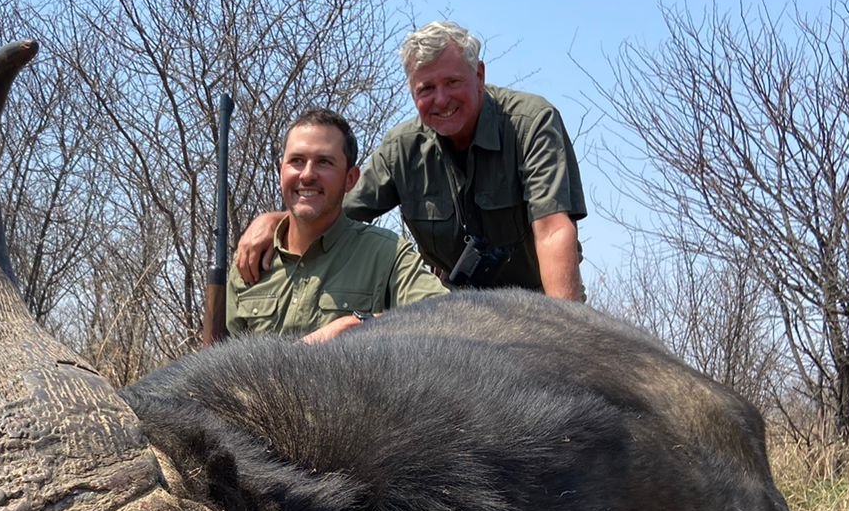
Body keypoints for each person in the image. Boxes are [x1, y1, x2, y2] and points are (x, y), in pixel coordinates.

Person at [236, 21, 587, 301]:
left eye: (452, 82)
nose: (441, 99)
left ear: (479, 76)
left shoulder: (531, 122)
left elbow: (553, 230)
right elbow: (338, 213)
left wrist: (562, 338)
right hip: (453, 313)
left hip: (538, 304)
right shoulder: (402, 147)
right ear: (411, 91)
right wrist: (276, 220)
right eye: (426, 89)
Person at [227, 107, 447, 342]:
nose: (307, 175)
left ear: (350, 179)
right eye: (297, 161)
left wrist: (359, 324)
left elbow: (445, 317)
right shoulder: (249, 260)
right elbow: (221, 363)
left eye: (324, 162)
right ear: (281, 171)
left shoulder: (386, 253)